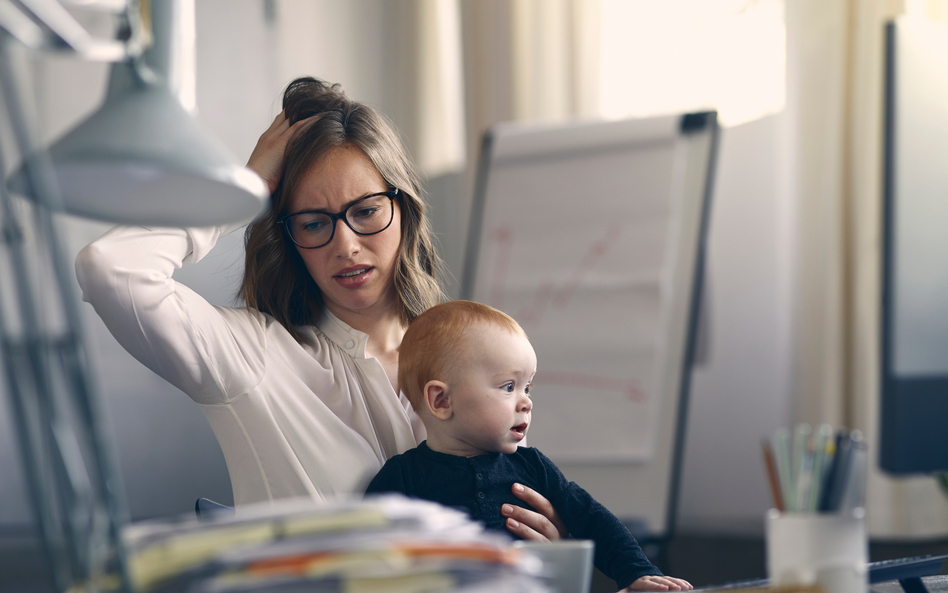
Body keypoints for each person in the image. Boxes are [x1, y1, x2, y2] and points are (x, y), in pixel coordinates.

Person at [75, 77, 563, 540]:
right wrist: (241, 190)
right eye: (313, 223)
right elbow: (111, 267)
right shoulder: (250, 356)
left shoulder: (476, 357)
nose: (346, 246)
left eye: (366, 211)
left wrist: (546, 550)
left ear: (404, 210)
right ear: (290, 237)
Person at [364, 300, 693, 592]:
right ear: (442, 400)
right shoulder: (402, 478)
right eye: (509, 386)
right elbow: (363, 556)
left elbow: (593, 520)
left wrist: (637, 573)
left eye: (528, 388)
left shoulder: (533, 466)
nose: (526, 403)